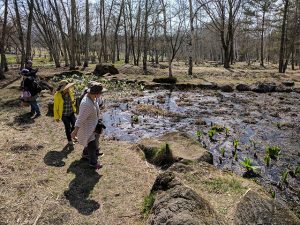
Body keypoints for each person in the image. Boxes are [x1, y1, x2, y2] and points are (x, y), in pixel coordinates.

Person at [71, 82, 103, 169]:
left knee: (92, 142)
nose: (101, 94)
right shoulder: (86, 104)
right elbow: (80, 118)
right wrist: (75, 131)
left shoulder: (92, 98)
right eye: (101, 93)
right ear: (96, 93)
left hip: (93, 125)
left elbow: (98, 104)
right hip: (87, 128)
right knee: (91, 145)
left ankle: (85, 154)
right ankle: (93, 163)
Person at [53, 80, 77, 146]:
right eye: (67, 87)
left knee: (74, 125)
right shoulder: (57, 95)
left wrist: (73, 102)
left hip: (71, 112)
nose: (68, 88)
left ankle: (73, 135)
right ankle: (69, 140)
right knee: (67, 127)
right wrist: (56, 117)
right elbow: (55, 107)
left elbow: (73, 100)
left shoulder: (70, 92)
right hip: (64, 115)